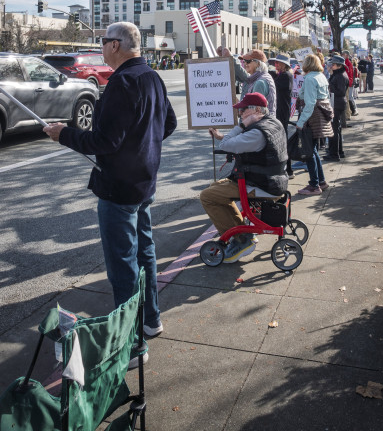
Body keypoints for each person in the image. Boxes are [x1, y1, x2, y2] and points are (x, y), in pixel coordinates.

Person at [43, 22, 177, 364]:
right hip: (144, 183)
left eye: (103, 41)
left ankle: (132, 345)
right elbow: (168, 124)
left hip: (120, 189)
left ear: (115, 45)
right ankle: (151, 320)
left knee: (123, 266)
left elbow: (104, 141)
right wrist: (142, 146)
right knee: (144, 253)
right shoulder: (152, 76)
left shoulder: (123, 81)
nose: (101, 46)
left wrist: (63, 134)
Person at [200, 92, 288, 263]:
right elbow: (239, 142)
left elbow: (226, 145)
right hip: (273, 180)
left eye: (243, 110)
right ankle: (242, 232)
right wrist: (222, 135)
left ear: (257, 110)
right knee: (214, 189)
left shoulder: (257, 133)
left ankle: (241, 240)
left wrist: (240, 126)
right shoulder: (273, 122)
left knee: (207, 196)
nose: (240, 113)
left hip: (261, 183)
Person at [296, 54, 332, 194]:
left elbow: (310, 103)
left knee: (309, 151)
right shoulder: (321, 76)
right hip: (320, 117)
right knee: (314, 150)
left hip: (312, 118)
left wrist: (301, 121)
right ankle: (321, 181)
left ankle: (314, 185)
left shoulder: (310, 79)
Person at [220, 47, 276, 114]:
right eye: (244, 61)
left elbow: (255, 112)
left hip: (260, 120)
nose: (245, 64)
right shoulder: (258, 78)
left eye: (248, 61)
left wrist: (240, 109)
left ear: (258, 64)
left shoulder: (260, 83)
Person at [272, 53, 294, 178]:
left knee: (283, 140)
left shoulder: (286, 76)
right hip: (281, 110)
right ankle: (287, 168)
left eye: (278, 63)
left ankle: (288, 169)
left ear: (284, 65)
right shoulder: (283, 75)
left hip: (282, 111)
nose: (276, 65)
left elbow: (275, 85)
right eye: (276, 62)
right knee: (281, 140)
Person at [325, 54, 349, 161]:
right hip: (337, 103)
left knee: (334, 129)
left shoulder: (340, 76)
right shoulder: (338, 74)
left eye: (333, 64)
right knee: (336, 129)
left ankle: (334, 154)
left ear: (339, 65)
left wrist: (330, 85)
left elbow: (340, 91)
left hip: (337, 104)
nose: (332, 66)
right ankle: (338, 151)